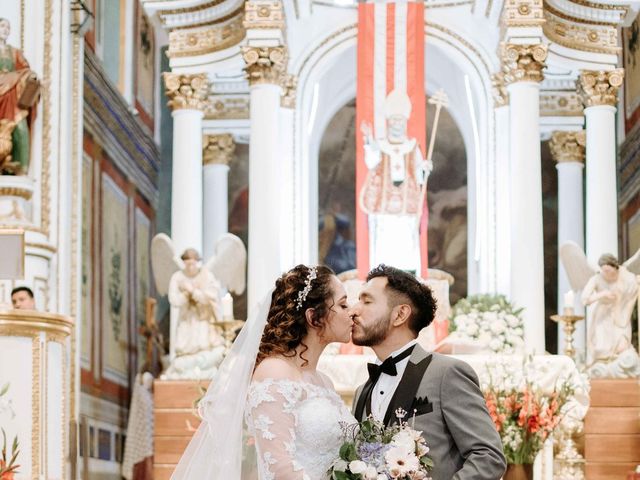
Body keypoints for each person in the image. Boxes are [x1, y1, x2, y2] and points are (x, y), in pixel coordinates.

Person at [171, 264, 355, 479]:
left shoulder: (324, 381)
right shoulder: (275, 372)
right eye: (343, 305)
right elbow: (280, 468)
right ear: (313, 317)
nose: (351, 312)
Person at [350, 264, 506, 480]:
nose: (354, 310)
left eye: (366, 301)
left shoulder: (447, 374)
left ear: (400, 314)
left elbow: (489, 457)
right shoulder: (362, 392)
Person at [360, 90, 432, 273]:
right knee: (385, 240)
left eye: (400, 120)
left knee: (406, 241)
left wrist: (424, 168)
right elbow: (371, 161)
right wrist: (368, 139)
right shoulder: (381, 145)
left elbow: (418, 174)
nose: (397, 124)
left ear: (405, 121)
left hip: (406, 205)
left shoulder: (412, 146)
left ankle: (407, 276)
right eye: (394, 120)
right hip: (384, 205)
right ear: (388, 121)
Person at [581, 253, 638, 365]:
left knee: (622, 347)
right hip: (603, 317)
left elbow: (634, 287)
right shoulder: (597, 278)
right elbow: (584, 299)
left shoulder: (625, 275)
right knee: (602, 349)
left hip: (621, 314)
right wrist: (601, 294)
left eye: (608, 271)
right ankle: (604, 371)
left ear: (615, 267)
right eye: (604, 271)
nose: (606, 274)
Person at [168, 248, 223, 357]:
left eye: (193, 264)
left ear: (197, 262)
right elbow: (173, 299)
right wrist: (185, 295)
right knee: (184, 348)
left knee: (204, 347)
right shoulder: (177, 277)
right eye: (188, 264)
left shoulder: (206, 275)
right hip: (186, 318)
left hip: (203, 318)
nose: (191, 267)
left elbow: (212, 295)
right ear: (184, 263)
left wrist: (193, 292)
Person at [0, 17, 38, 174]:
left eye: (8, 27)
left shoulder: (14, 52)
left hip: (12, 97)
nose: (5, 29)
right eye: (2, 26)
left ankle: (20, 170)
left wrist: (32, 77)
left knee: (21, 130)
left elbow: (25, 69)